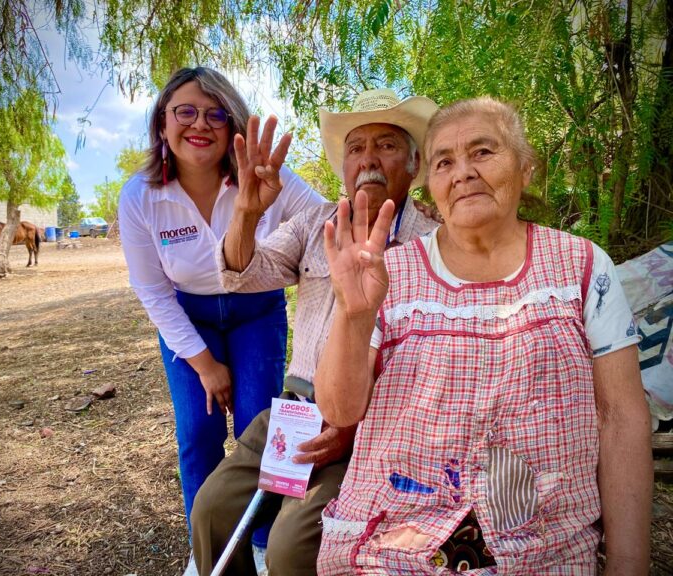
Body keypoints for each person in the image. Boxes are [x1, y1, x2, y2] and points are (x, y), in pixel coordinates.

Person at [314, 96, 651, 575]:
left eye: (483, 152)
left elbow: (620, 416)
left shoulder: (582, 267)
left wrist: (628, 564)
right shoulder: (390, 273)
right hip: (396, 540)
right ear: (430, 184)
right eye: (444, 161)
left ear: (527, 167)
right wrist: (353, 314)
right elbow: (339, 410)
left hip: (544, 543)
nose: (463, 172)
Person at [191, 88, 440, 576]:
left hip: (374, 426)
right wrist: (246, 211)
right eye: (355, 148)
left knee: (290, 549)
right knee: (212, 511)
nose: (368, 159)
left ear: (414, 165)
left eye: (386, 145)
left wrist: (352, 428)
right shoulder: (315, 222)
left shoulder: (432, 242)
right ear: (343, 166)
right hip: (294, 413)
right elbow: (243, 271)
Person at [118, 67, 324, 552]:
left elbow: (325, 225)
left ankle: (261, 541)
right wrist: (206, 366)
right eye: (185, 111)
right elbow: (152, 292)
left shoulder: (268, 178)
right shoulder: (141, 196)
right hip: (189, 319)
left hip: (257, 312)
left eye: (215, 113)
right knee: (198, 433)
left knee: (261, 429)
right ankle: (208, 547)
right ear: (162, 124)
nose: (200, 124)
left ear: (233, 125)